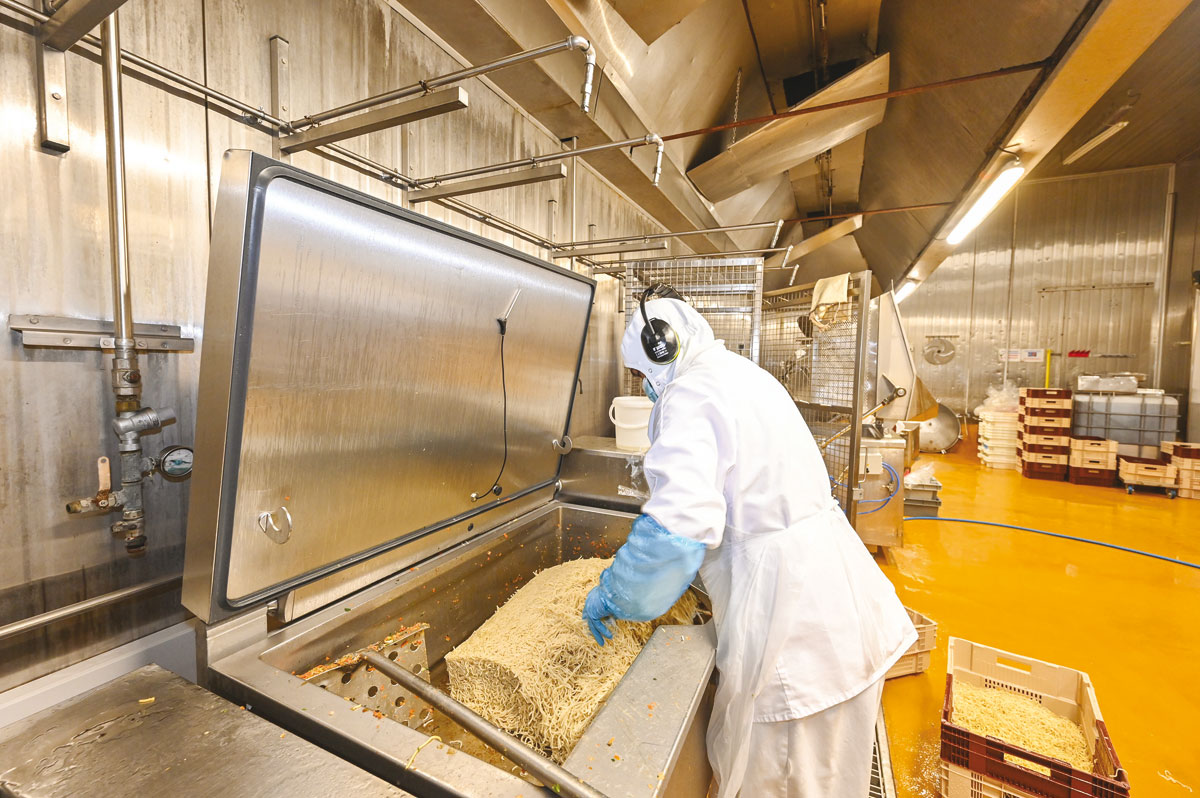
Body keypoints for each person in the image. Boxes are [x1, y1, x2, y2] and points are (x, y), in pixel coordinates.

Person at [582, 285, 916, 797]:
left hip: (794, 635)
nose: (645, 386)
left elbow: (676, 531)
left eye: (641, 374)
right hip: (837, 609)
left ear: (660, 349)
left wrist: (616, 593)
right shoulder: (741, 374)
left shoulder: (689, 394)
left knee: (782, 781)